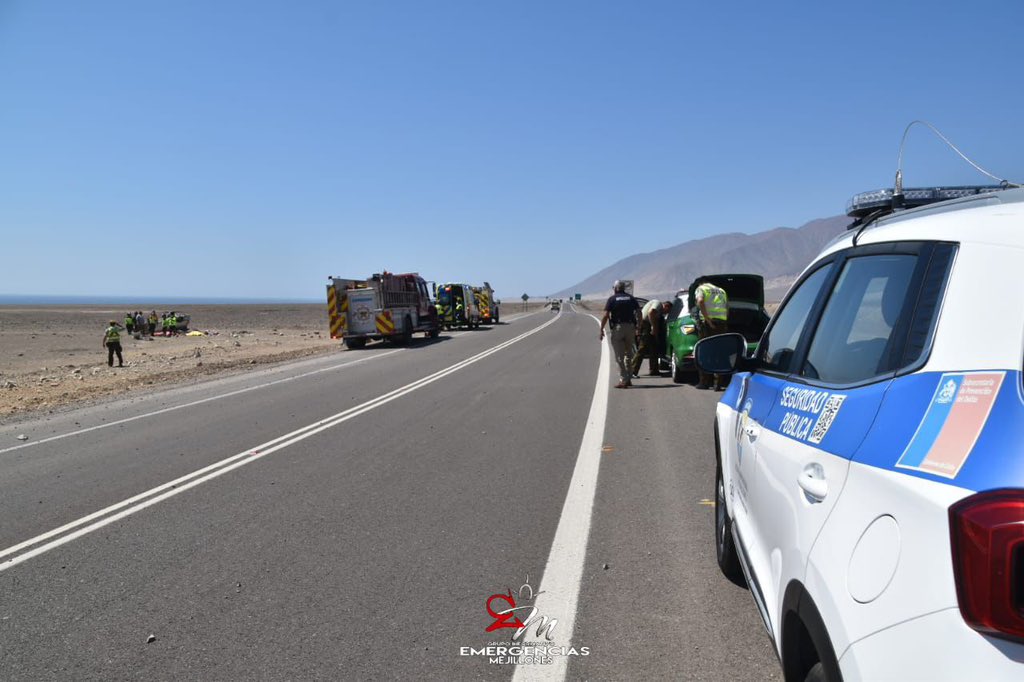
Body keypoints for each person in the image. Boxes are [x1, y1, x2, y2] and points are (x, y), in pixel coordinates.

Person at [599, 280, 641, 388]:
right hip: (631, 328)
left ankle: (623, 380)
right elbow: (639, 312)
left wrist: (601, 329)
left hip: (618, 329)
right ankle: (628, 379)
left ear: (615, 288)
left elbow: (605, 315)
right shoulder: (631, 298)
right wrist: (638, 327)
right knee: (629, 355)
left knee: (619, 357)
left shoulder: (612, 299)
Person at [694, 280, 729, 390]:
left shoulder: (701, 289)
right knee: (719, 353)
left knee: (704, 351)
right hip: (721, 324)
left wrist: (708, 320)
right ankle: (717, 384)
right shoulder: (721, 291)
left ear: (701, 284)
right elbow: (727, 307)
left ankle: (704, 382)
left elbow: (700, 301)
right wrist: (724, 321)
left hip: (708, 325)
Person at [631, 298, 664, 377]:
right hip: (646, 325)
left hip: (645, 324)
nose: (664, 313)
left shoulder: (653, 303)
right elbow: (651, 312)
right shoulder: (658, 303)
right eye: (666, 311)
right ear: (666, 306)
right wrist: (653, 326)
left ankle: (654, 369)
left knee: (653, 347)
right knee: (642, 348)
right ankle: (632, 371)